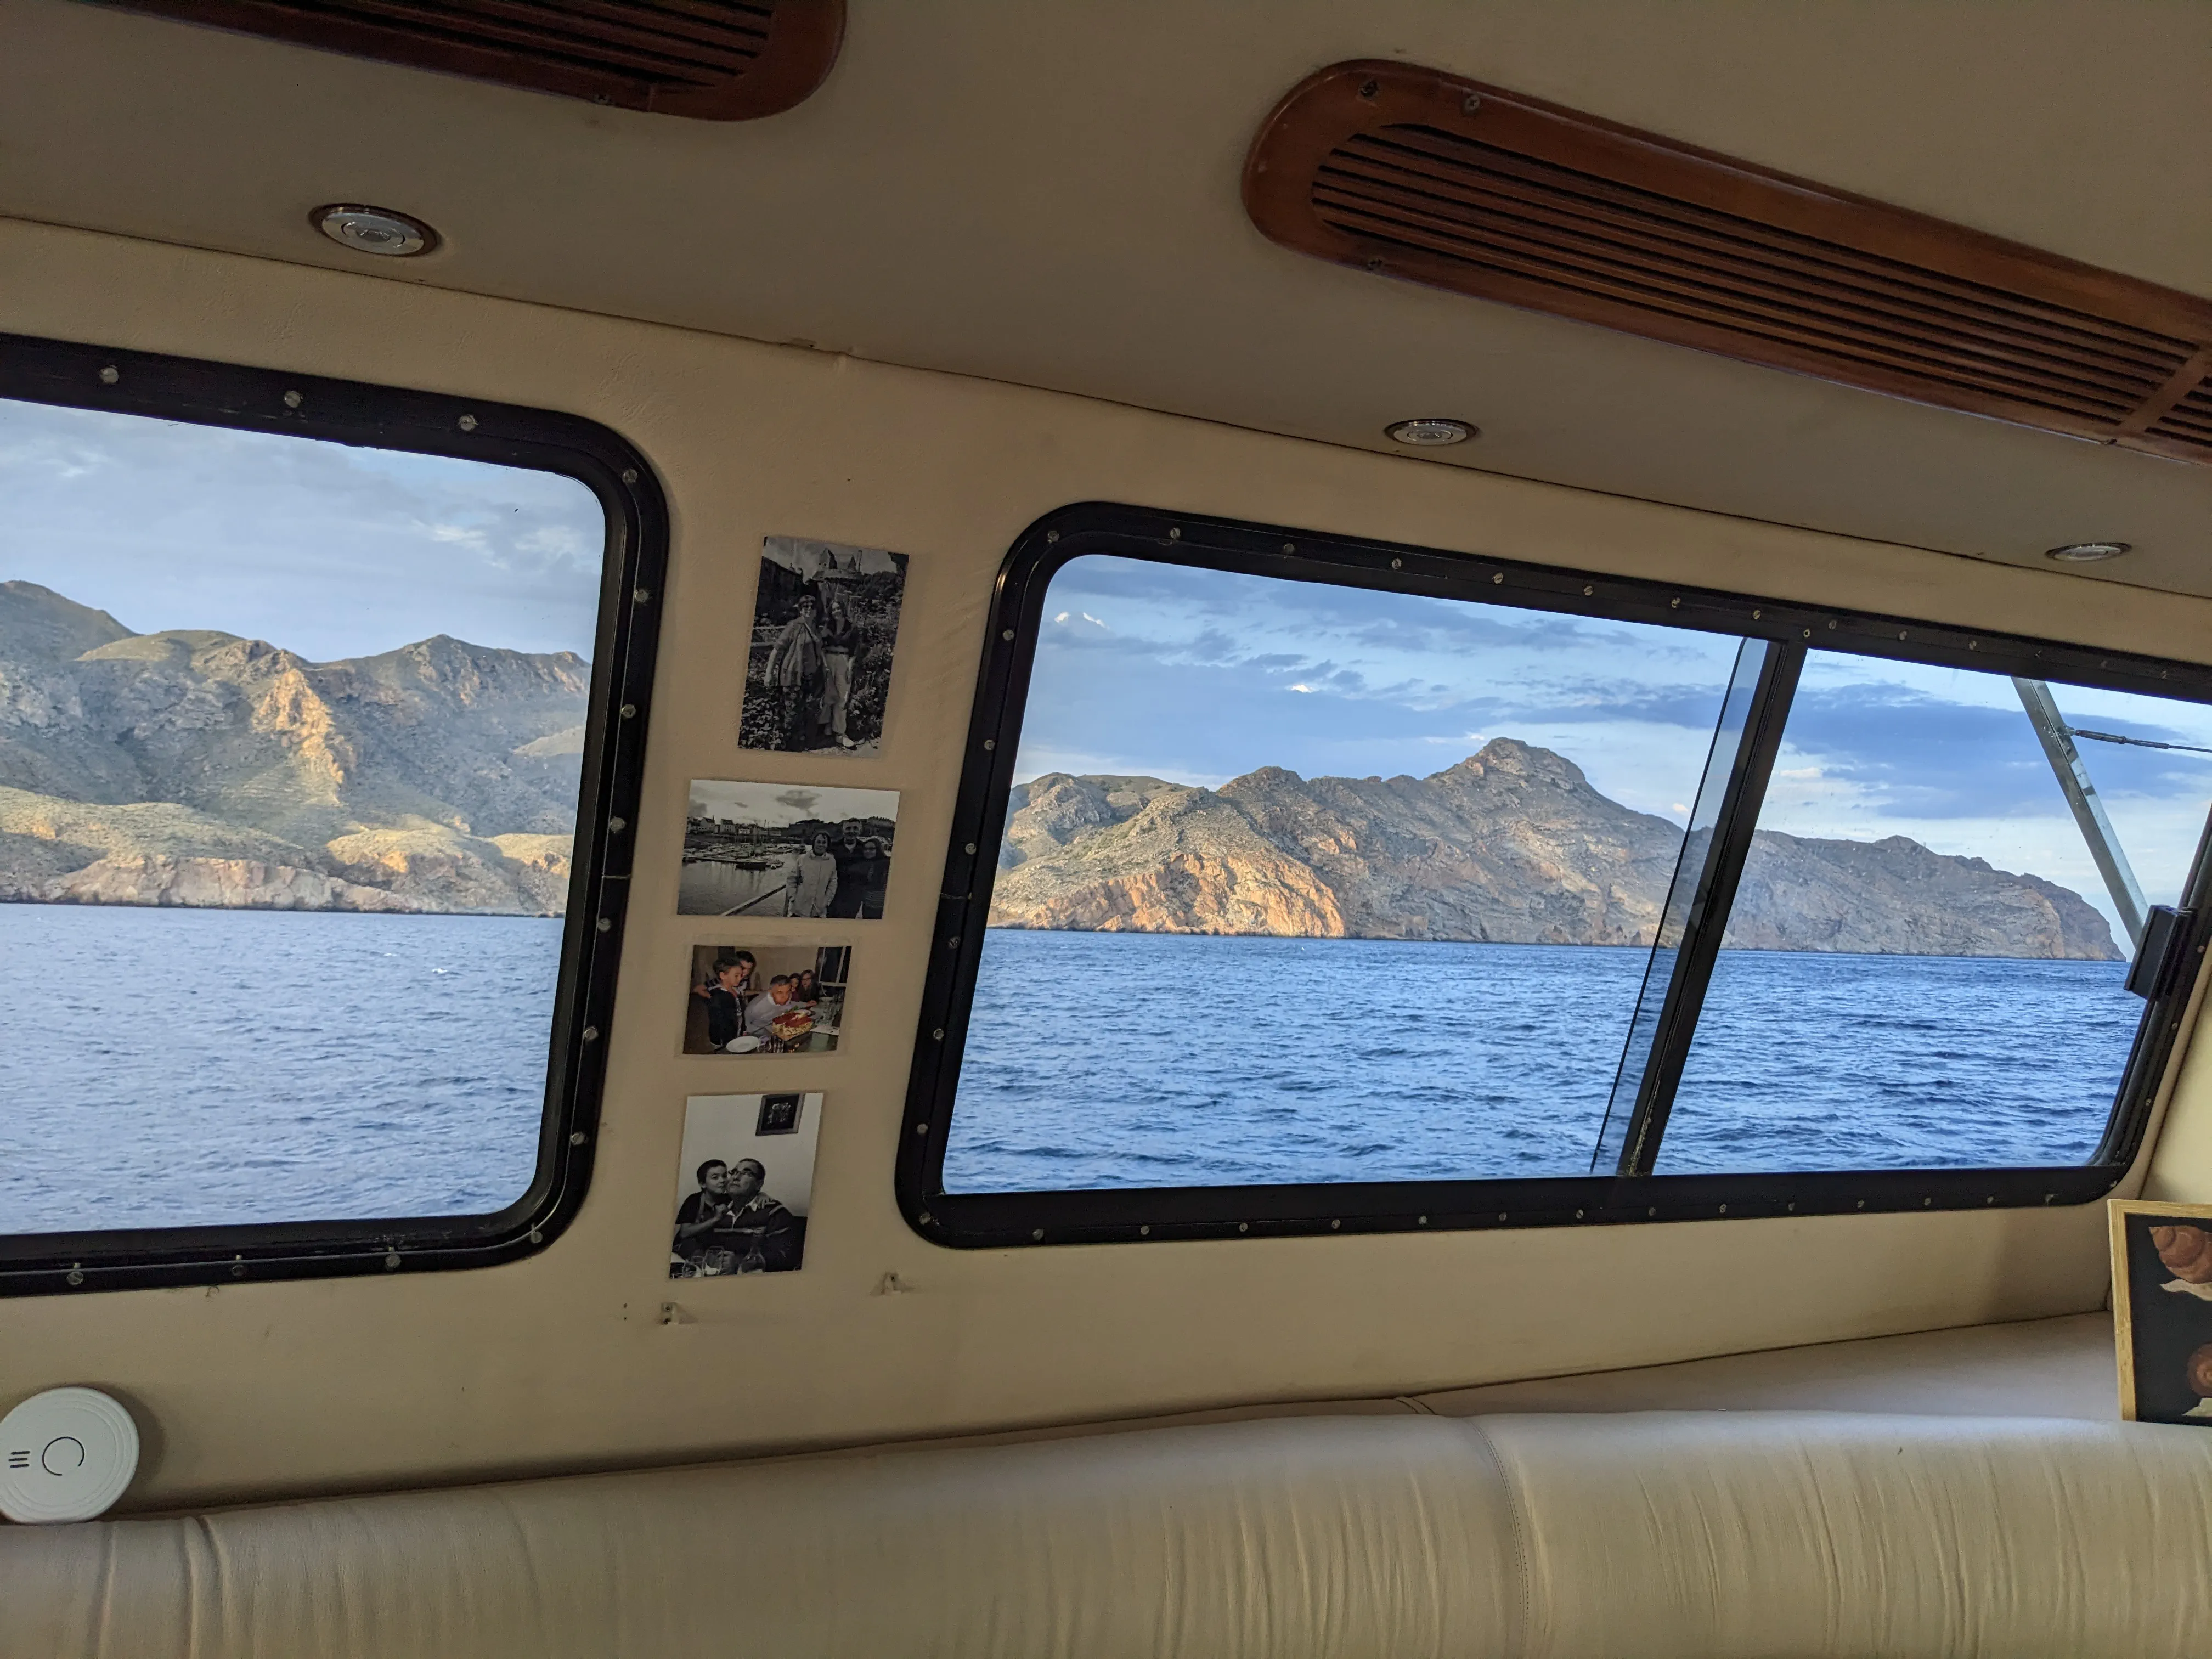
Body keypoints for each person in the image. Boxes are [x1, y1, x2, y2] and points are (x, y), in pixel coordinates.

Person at [763, 589, 826, 749]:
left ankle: (802, 743)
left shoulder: (816, 629)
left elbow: (819, 651)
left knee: (808, 711)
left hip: (811, 676)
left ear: (816, 610)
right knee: (791, 712)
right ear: (800, 609)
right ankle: (788, 748)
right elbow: (777, 650)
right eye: (805, 606)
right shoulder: (794, 626)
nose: (809, 609)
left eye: (812, 606)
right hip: (793, 676)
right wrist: (769, 673)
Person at [719, 1158, 802, 1272]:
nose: (735, 1177)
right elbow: (692, 1239)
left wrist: (742, 1263)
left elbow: (788, 1255)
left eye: (746, 1173)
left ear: (759, 1185)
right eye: (734, 1172)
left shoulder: (774, 1212)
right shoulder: (717, 1208)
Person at [818, 584, 860, 749]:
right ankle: (828, 725)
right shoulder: (828, 627)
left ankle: (840, 733)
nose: (836, 612)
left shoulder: (852, 628)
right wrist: (824, 664)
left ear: (843, 609)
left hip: (843, 661)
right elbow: (821, 645)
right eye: (833, 609)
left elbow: (855, 650)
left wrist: (850, 667)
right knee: (828, 693)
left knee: (843, 695)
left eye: (838, 609)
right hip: (829, 660)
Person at [672, 1160, 732, 1266]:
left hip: (713, 1245)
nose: (722, 1181)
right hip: (691, 1245)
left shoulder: (730, 1199)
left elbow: (750, 1196)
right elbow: (685, 1233)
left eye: (725, 1176)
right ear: (702, 1184)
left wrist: (761, 1195)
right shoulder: (694, 1200)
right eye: (715, 1178)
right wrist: (716, 1219)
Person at [696, 952, 755, 1049]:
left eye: (741, 975)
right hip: (724, 1041)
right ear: (723, 976)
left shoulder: (735, 991)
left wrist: (743, 1031)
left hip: (737, 1034)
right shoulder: (719, 997)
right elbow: (719, 1026)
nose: (741, 978)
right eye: (737, 975)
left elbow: (740, 1014)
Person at [783, 832, 838, 917]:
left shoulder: (831, 861)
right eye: (818, 842)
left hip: (819, 910)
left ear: (828, 845)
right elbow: (791, 879)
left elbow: (833, 883)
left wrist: (827, 902)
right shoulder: (802, 859)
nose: (821, 845)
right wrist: (793, 898)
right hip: (799, 908)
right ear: (814, 843)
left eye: (824, 842)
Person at [826, 820, 871, 918]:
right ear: (843, 830)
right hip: (834, 895)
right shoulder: (832, 847)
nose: (851, 831)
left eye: (855, 828)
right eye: (848, 828)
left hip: (855, 897)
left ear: (860, 831)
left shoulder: (865, 848)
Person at [744, 975, 800, 1043]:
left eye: (788, 992)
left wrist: (806, 1004)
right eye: (780, 993)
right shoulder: (757, 1007)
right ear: (770, 992)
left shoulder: (788, 996)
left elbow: (790, 1005)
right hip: (758, 1034)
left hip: (777, 1030)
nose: (785, 997)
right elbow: (746, 1024)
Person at [856, 836, 891, 919]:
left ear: (878, 849)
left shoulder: (888, 864)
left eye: (872, 849)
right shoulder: (866, 864)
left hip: (881, 908)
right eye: (865, 849)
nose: (868, 851)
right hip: (867, 906)